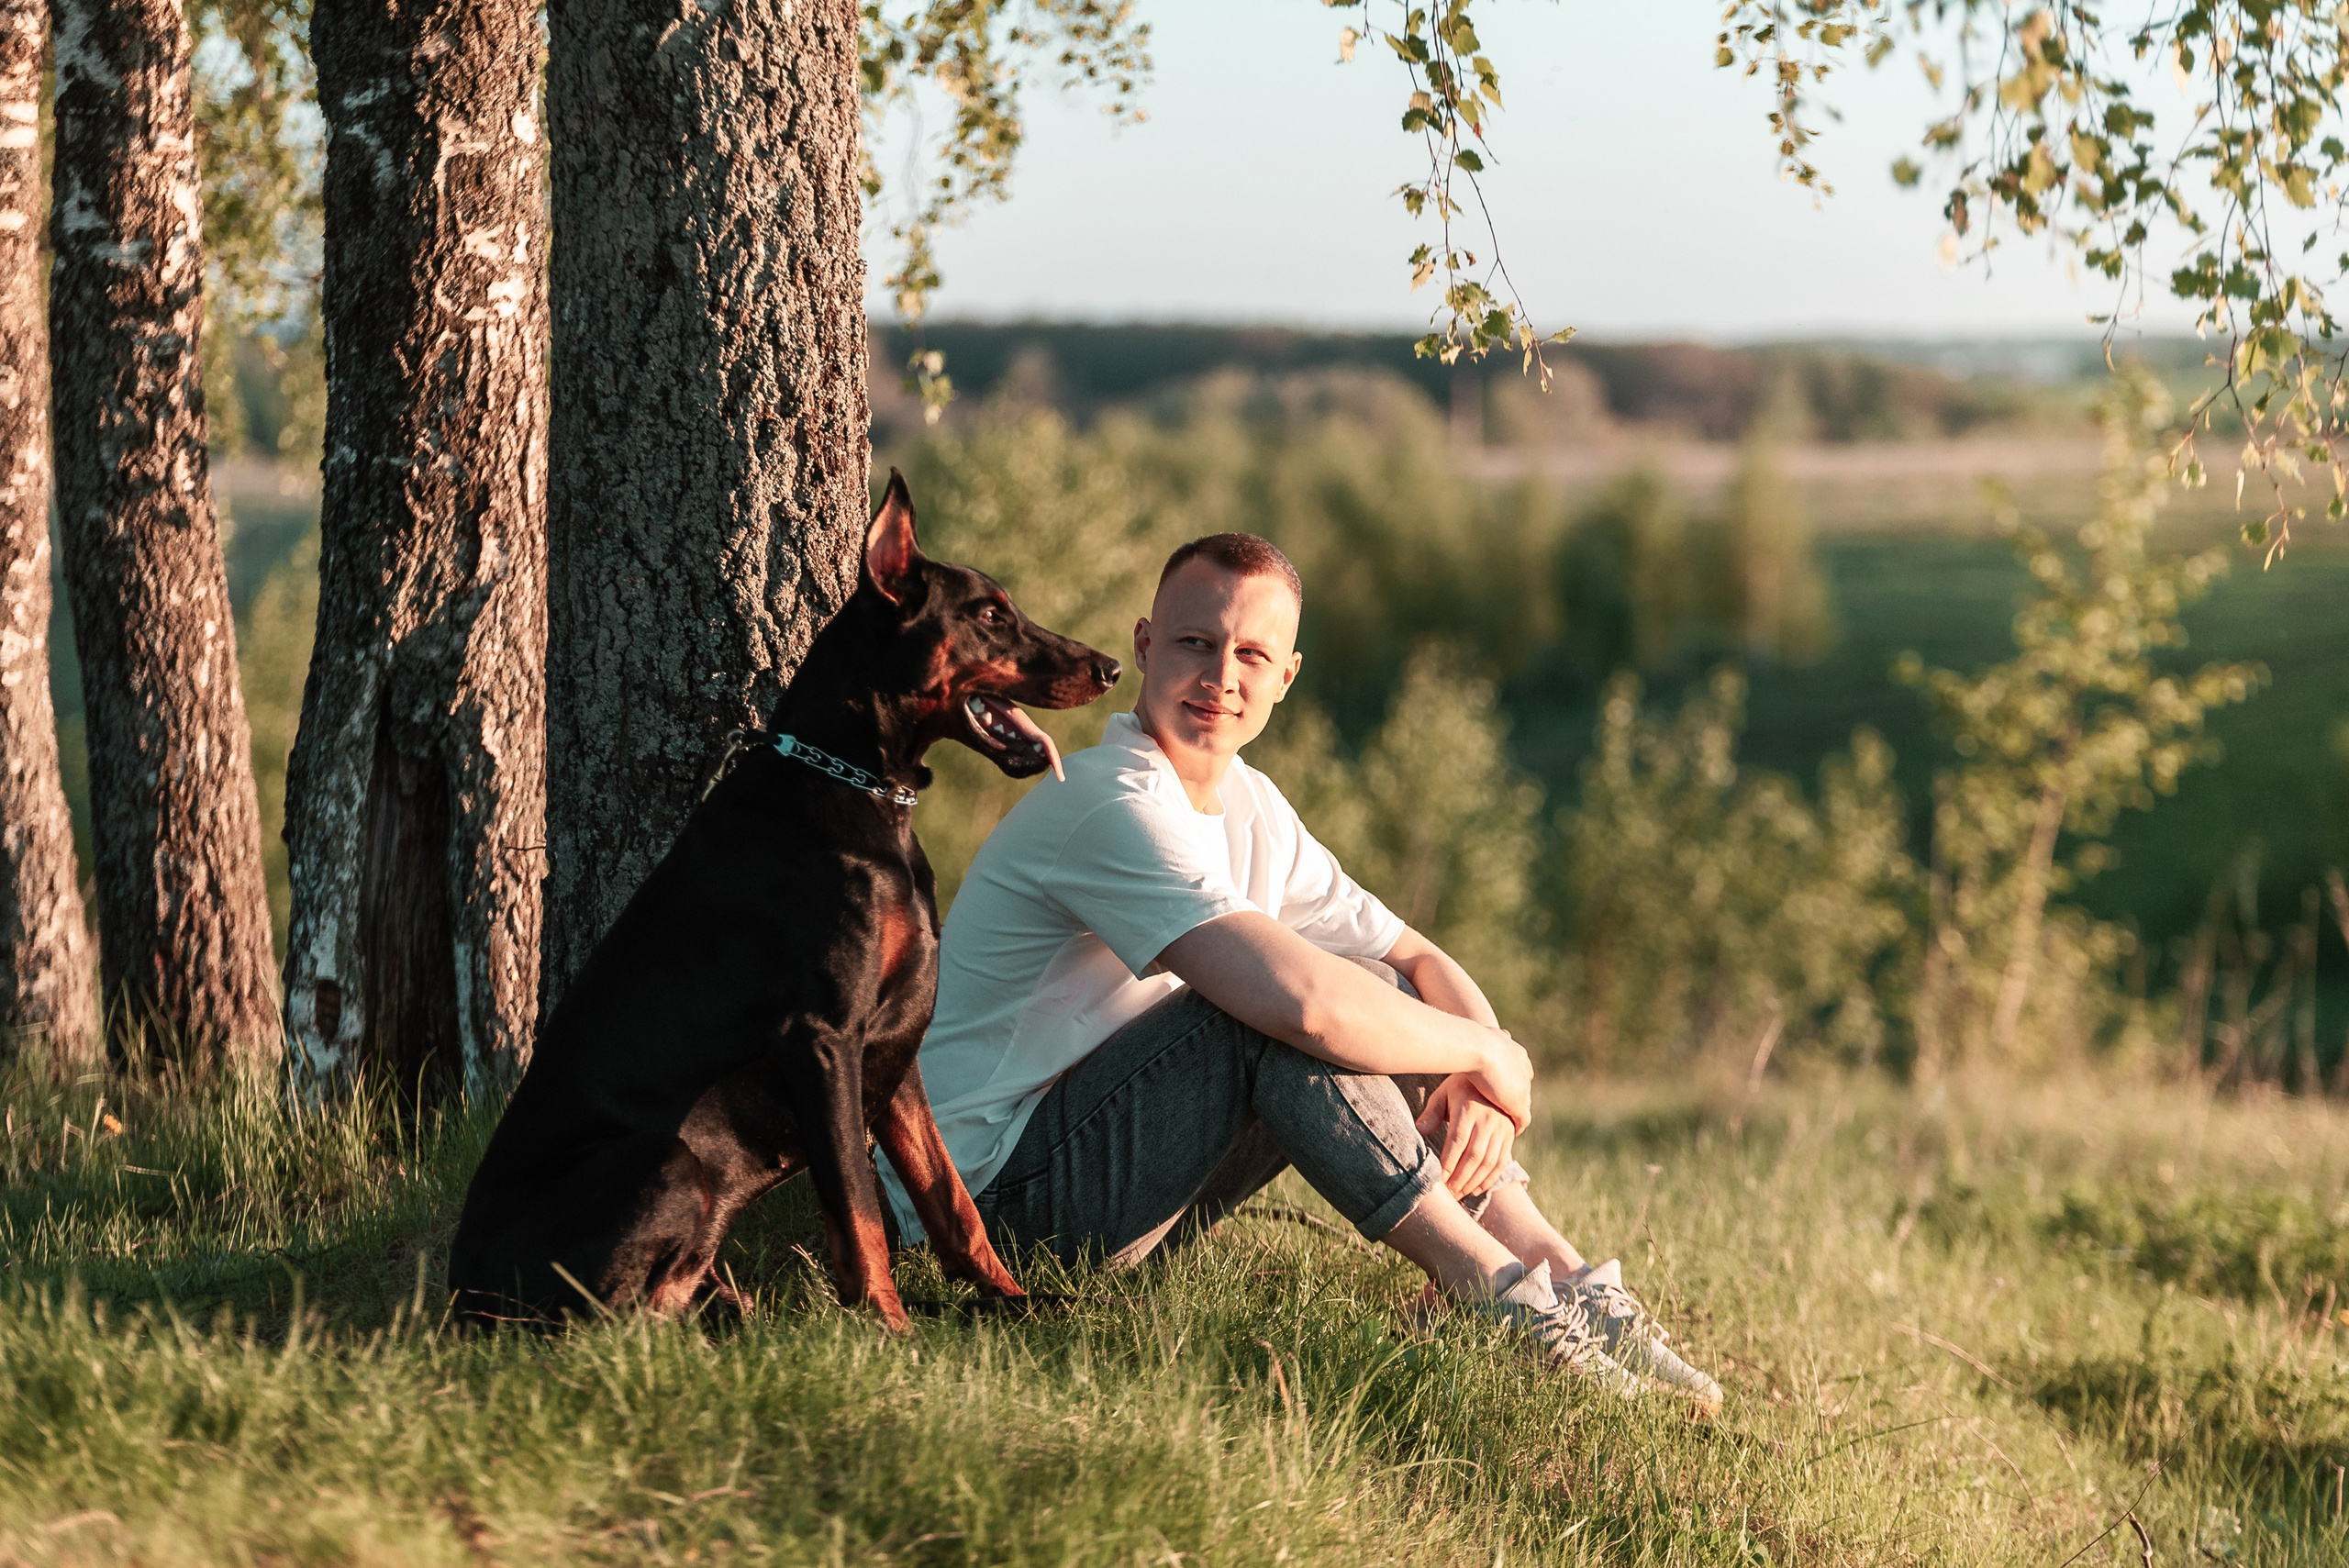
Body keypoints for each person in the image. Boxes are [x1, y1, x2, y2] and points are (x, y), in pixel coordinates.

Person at [879, 532, 1720, 1407]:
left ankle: (1563, 1278)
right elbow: (1306, 1007)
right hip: (983, 1210)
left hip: (1110, 1192)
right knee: (1265, 1010)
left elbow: (1416, 957)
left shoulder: (1251, 804)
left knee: (1380, 989)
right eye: (1195, 643)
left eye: (1252, 654)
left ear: (1286, 676)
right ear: (1143, 646)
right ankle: (1497, 1298)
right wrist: (1495, 1054)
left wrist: (1486, 1076)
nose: (1220, 676)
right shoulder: (1106, 802)